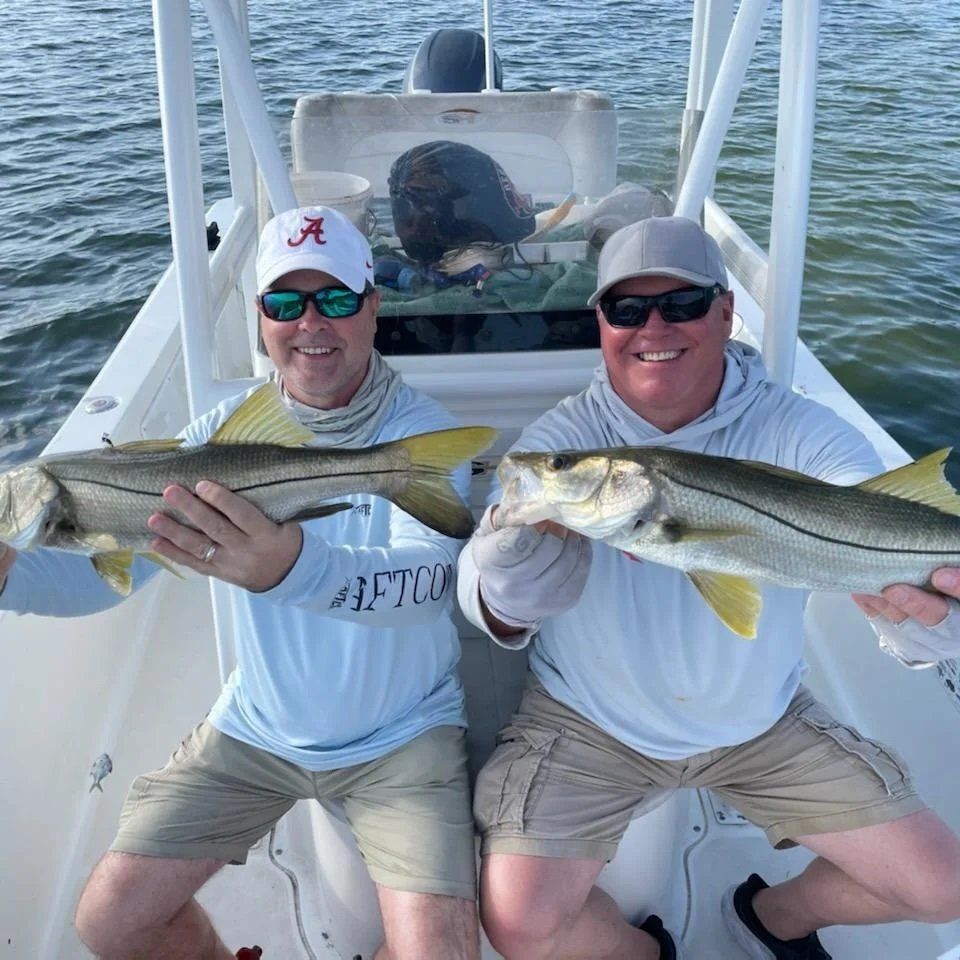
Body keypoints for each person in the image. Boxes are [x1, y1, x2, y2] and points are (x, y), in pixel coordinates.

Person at [457, 214, 960, 960]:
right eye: (627, 309)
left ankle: (772, 918)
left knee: (943, 889)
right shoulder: (562, 443)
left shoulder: (802, 433)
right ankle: (645, 953)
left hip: (760, 720)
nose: (653, 325)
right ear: (601, 324)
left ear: (726, 312)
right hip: (591, 722)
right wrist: (505, 570)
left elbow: (863, 503)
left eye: (683, 304)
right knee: (518, 923)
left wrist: (925, 617)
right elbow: (490, 602)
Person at [0, 206, 481, 960]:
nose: (310, 323)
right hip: (258, 728)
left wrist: (289, 569)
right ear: (261, 318)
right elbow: (106, 583)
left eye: (335, 298)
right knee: (109, 921)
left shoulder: (419, 438)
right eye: (285, 304)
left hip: (403, 737)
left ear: (373, 305)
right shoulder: (213, 439)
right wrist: (8, 577)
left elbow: (425, 586)